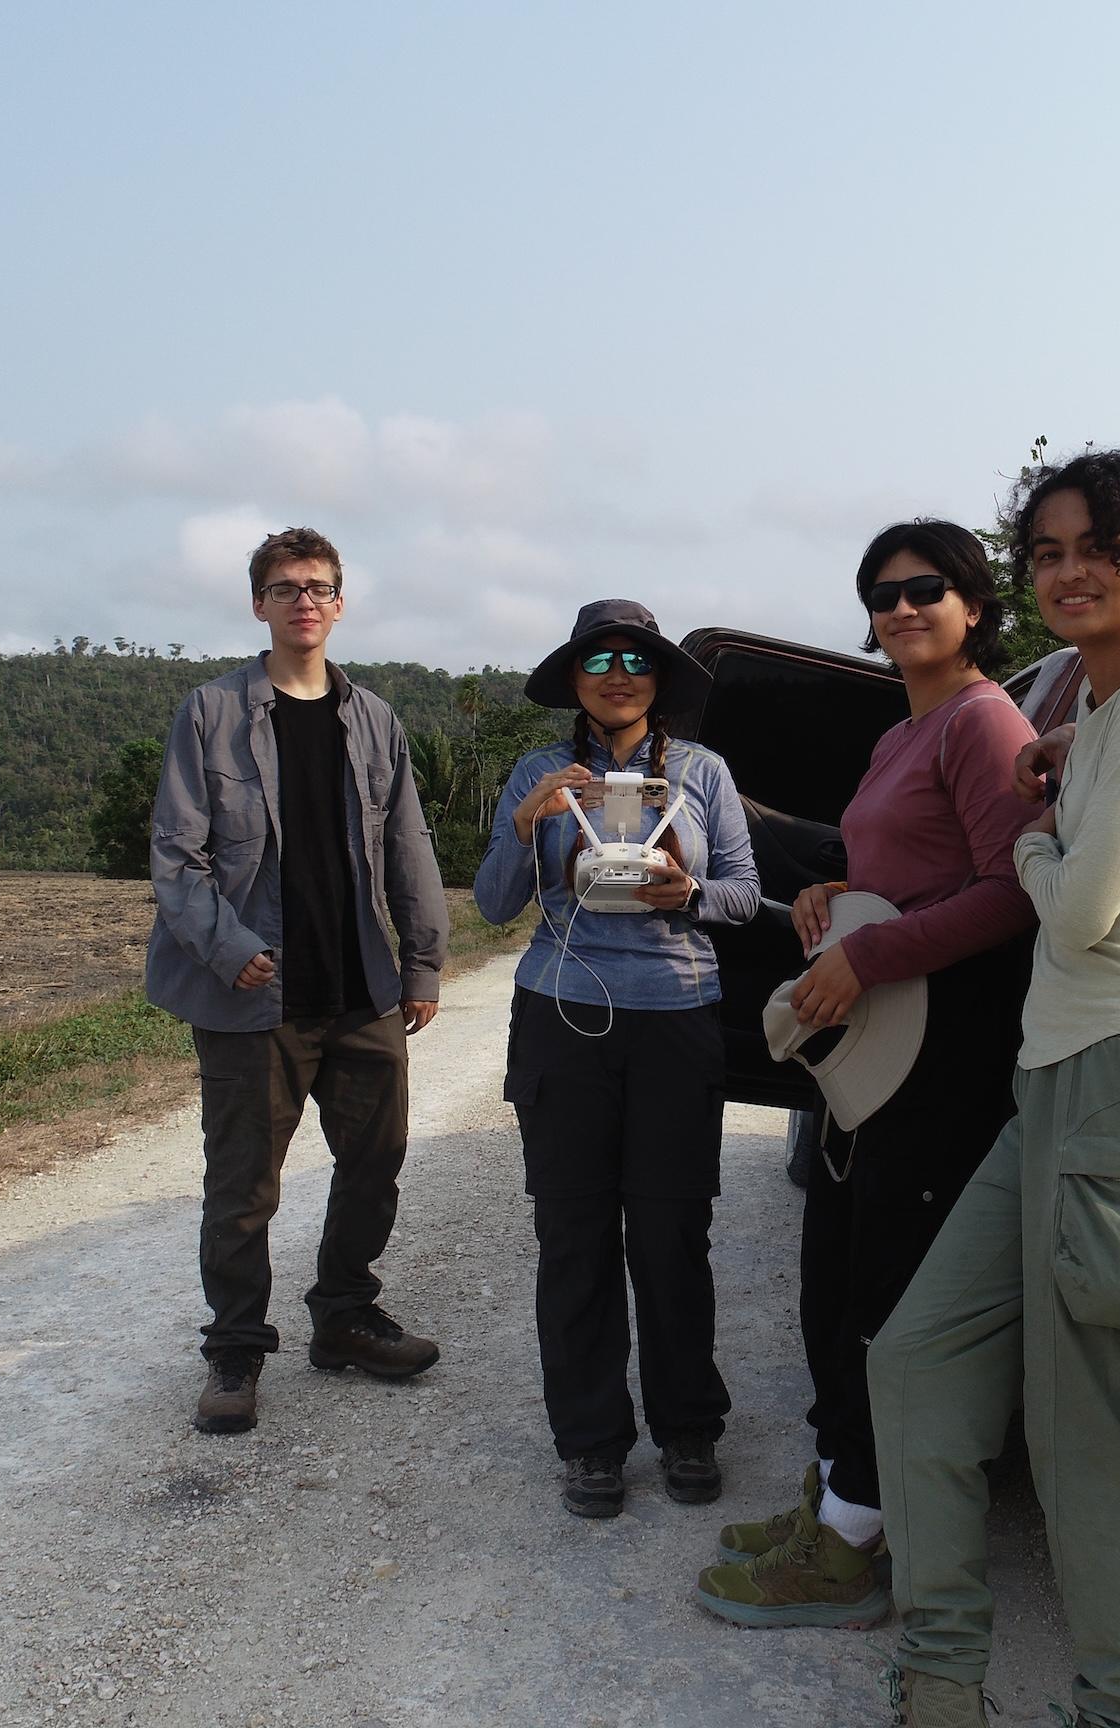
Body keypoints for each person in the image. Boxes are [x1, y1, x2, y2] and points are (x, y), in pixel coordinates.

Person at [868, 452, 1120, 1728]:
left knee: (1092, 1441)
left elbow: (1077, 917)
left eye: (1099, 547)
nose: (1070, 572)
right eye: (1048, 552)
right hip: (1056, 1089)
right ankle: (941, 1682)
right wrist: (1066, 759)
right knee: (915, 1362)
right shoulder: (1112, 706)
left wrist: (1028, 826)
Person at [692, 520, 1037, 1630]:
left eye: (925, 589)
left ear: (973, 605)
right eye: (882, 595)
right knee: (836, 1279)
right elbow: (896, 869)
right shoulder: (905, 734)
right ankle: (838, 1499)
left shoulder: (983, 723)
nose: (901, 609)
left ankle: (852, 1548)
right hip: (875, 1060)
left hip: (941, 1058)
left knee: (885, 1294)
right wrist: (829, 899)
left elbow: (1013, 893)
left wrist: (869, 951)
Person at [145, 526, 451, 1438]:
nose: (303, 601)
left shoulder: (376, 721)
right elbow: (176, 853)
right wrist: (225, 944)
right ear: (260, 605)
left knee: (377, 1164)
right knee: (244, 1186)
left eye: (318, 586)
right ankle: (235, 1349)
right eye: (285, 588)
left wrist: (423, 960)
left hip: (360, 988)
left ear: (340, 603)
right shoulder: (211, 714)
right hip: (252, 998)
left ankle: (345, 1315)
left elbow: (409, 846)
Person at [474, 599, 760, 1518]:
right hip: (563, 1014)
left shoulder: (705, 774)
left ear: (660, 680)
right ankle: (592, 1442)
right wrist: (528, 820)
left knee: (673, 1235)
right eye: (597, 660)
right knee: (575, 1236)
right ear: (574, 680)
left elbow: (747, 896)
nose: (618, 673)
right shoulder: (540, 773)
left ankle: (687, 1426)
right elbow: (488, 906)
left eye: (636, 659)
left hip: (678, 1018)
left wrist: (689, 892)